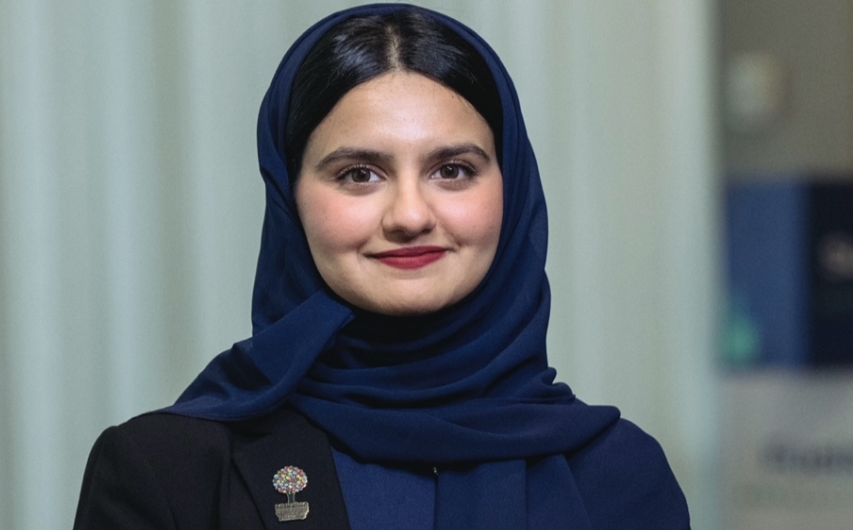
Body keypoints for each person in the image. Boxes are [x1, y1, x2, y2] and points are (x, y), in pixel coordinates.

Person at [73, 3, 690, 529]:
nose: (410, 215)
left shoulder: (620, 475)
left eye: (453, 170)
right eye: (359, 174)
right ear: (290, 200)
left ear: (513, 186)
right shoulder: (171, 471)